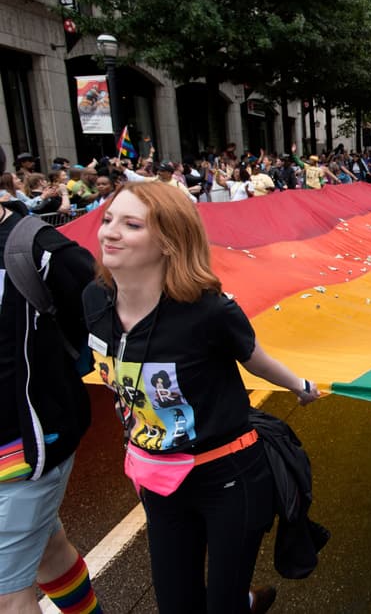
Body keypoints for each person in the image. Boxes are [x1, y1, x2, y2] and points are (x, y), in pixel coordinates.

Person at [82, 181, 322, 613]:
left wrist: (300, 386)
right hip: (157, 479)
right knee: (176, 603)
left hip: (229, 477)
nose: (108, 233)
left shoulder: (208, 310)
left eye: (131, 224)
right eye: (108, 219)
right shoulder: (93, 299)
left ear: (170, 242)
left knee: (222, 605)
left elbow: (254, 359)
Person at [0, 151, 101, 612]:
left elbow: (101, 318)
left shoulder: (38, 249)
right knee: (49, 556)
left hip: (26, 447)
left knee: (8, 594)